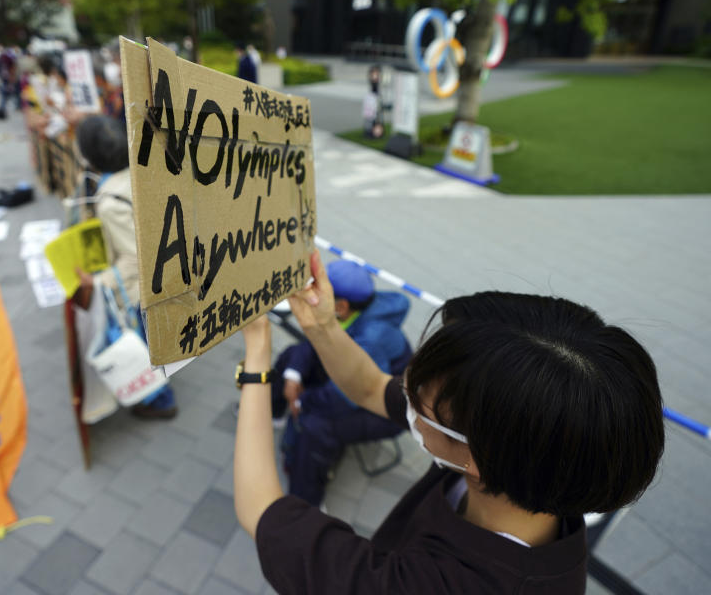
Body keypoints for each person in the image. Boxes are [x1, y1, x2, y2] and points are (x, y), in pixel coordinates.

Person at [233, 250, 664, 593]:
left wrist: (256, 355)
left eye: (419, 399)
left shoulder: (432, 584)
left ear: (478, 457)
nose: (406, 391)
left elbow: (260, 508)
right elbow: (367, 386)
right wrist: (321, 323)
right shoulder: (537, 466)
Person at [272, 259, 411, 506]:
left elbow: (351, 394)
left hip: (387, 411)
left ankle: (306, 503)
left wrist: (304, 401)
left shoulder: (372, 339)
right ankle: (275, 414)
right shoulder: (352, 312)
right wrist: (294, 375)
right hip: (355, 387)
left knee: (316, 426)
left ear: (341, 306)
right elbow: (314, 342)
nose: (308, 298)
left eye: (316, 293)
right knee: (291, 358)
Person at [74, 115, 179, 420]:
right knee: (155, 339)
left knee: (144, 346)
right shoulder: (141, 170)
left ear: (90, 155)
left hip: (140, 288)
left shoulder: (111, 201)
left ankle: (161, 401)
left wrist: (97, 283)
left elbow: (133, 260)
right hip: (164, 272)